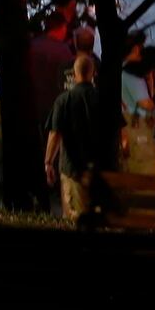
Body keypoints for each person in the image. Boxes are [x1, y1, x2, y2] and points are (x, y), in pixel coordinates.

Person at [43, 54, 106, 218]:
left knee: (73, 218)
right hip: (100, 171)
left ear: (74, 74)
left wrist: (48, 162)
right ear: (93, 73)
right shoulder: (103, 100)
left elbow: (55, 134)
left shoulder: (64, 100)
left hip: (72, 170)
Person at [118, 33, 155, 175]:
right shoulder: (131, 73)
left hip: (130, 128)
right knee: (148, 175)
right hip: (138, 130)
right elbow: (145, 103)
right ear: (136, 49)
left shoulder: (121, 70)